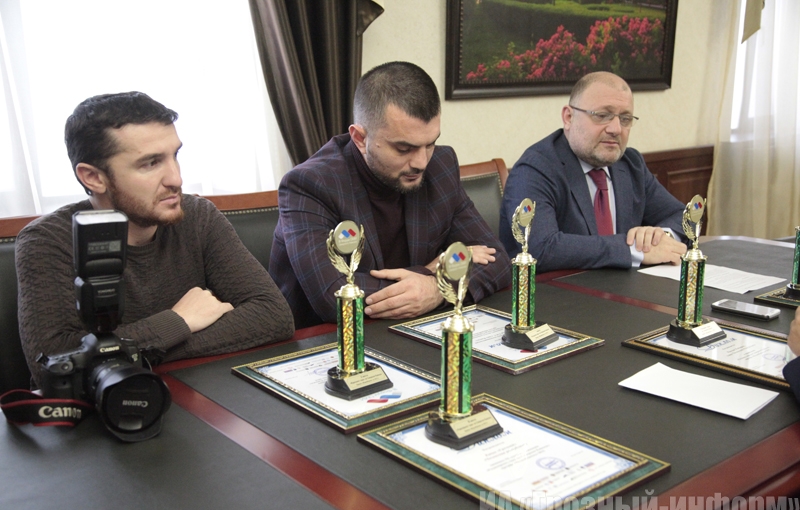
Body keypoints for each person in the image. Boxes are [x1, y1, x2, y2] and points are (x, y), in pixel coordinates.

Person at [16, 92, 294, 387]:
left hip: (191, 392)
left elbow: (273, 315)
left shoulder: (198, 216)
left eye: (175, 156)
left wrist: (130, 354)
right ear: (93, 177)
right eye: (150, 163)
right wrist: (178, 321)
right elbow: (54, 364)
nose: (176, 179)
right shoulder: (47, 240)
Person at [270, 61, 511, 329]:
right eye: (404, 149)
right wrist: (429, 273)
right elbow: (334, 296)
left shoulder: (441, 166)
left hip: (414, 328)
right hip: (326, 339)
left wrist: (436, 289)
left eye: (430, 144)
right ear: (360, 138)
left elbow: (498, 261)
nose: (421, 162)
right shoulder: (309, 185)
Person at [499, 71, 688, 272]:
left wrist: (660, 239)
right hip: (558, 289)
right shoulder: (536, 169)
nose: (616, 129)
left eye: (625, 119)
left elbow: (683, 216)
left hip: (623, 287)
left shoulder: (630, 164)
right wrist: (631, 249)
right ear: (568, 117)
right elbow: (541, 248)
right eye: (602, 116)